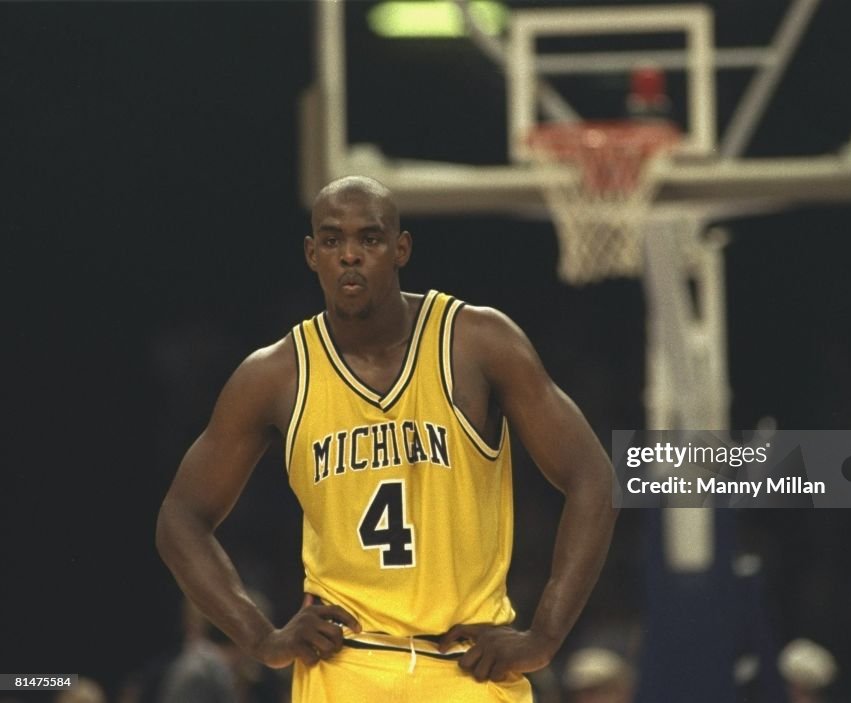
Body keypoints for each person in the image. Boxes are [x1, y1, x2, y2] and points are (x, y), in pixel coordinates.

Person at [155, 175, 619, 702]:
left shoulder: (477, 341)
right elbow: (180, 518)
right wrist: (262, 637)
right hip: (346, 669)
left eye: (369, 239)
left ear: (400, 249)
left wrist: (545, 636)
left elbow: (593, 477)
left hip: (468, 666)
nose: (350, 255)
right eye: (332, 241)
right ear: (312, 254)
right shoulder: (276, 374)